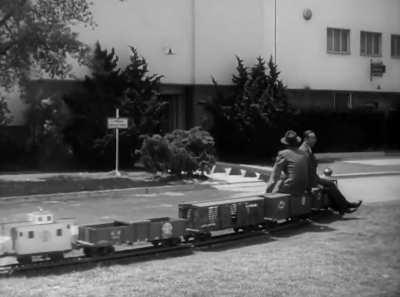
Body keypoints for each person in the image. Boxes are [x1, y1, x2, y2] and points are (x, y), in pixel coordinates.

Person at [299, 130, 362, 214]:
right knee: (329, 186)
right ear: (306, 139)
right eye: (312, 138)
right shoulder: (304, 150)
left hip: (314, 178)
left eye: (315, 138)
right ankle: (344, 206)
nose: (315, 140)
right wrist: (315, 184)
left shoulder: (307, 148)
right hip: (310, 180)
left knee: (330, 185)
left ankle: (344, 206)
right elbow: (305, 170)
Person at [266, 130, 309, 196]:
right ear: (297, 142)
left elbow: (274, 177)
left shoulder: (283, 154)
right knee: (281, 181)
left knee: (275, 189)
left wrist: (267, 193)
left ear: (285, 143)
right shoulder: (304, 154)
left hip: (290, 188)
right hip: (303, 187)